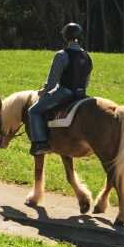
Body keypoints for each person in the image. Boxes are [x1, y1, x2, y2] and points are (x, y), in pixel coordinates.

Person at [28, 22, 92, 154]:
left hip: (65, 93)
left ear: (65, 36)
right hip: (82, 94)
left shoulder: (62, 55)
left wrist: (43, 91)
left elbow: (52, 83)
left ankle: (40, 144)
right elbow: (86, 82)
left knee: (33, 111)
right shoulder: (87, 56)